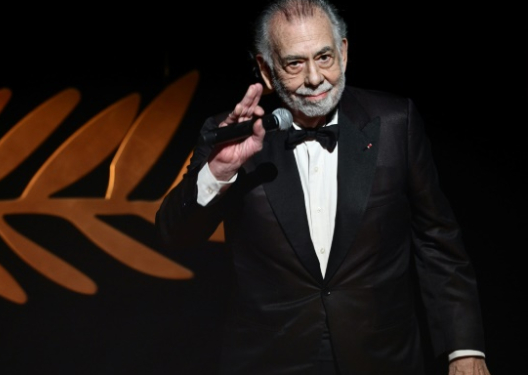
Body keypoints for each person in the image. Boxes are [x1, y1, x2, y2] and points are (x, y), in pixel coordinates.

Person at [155, 0, 491, 374]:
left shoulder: (396, 122)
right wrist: (218, 172)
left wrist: (464, 349)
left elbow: (437, 241)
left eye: (325, 57)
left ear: (344, 53)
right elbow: (175, 236)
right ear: (266, 70)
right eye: (295, 63)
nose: (315, 78)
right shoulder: (230, 134)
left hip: (382, 356)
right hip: (270, 360)